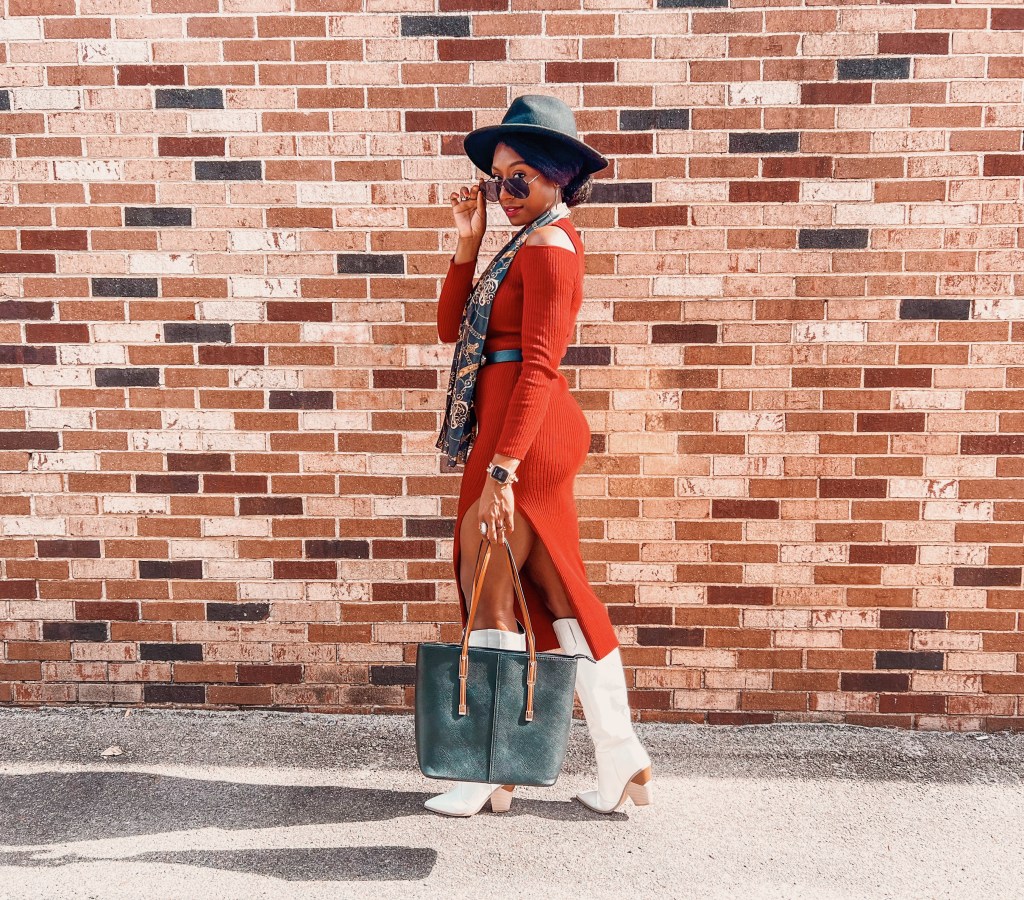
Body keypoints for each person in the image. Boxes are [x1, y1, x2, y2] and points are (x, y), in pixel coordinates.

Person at [426, 94, 653, 817]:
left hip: (523, 435)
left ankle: (489, 771)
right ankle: (623, 762)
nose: (506, 191)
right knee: (558, 600)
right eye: (498, 179)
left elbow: (540, 366)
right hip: (509, 427)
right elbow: (447, 330)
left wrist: (501, 470)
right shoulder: (519, 241)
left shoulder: (552, 245)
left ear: (558, 176)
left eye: (519, 177)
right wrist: (471, 233)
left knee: (485, 576)